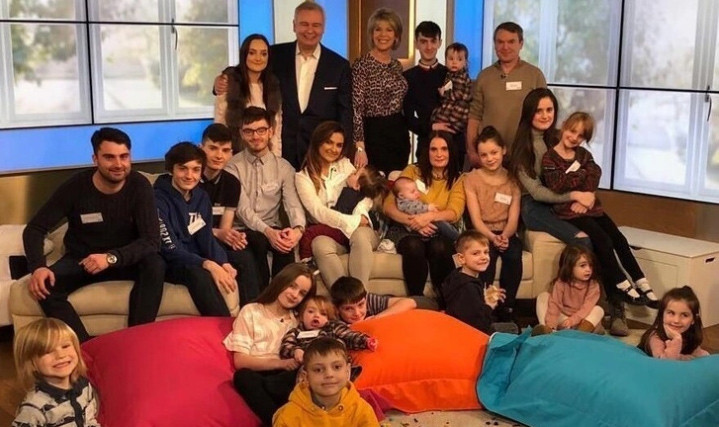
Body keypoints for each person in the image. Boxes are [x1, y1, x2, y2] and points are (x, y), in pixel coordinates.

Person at [22, 127, 164, 342]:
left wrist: (110, 258)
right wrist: (38, 267)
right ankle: (86, 348)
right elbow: (34, 229)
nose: (118, 164)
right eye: (109, 157)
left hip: (125, 259)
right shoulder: (75, 186)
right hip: (82, 260)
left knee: (155, 265)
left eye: (124, 156)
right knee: (45, 286)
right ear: (95, 159)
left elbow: (151, 241)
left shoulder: (139, 186)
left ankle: (135, 340)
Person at [214, 2, 352, 170]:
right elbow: (246, 67)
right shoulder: (275, 55)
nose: (310, 30)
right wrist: (222, 79)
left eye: (316, 25)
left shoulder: (339, 65)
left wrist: (343, 152)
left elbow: (345, 113)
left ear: (323, 28)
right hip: (280, 150)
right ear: (294, 25)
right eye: (304, 24)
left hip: (319, 152)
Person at [541, 112, 657, 308]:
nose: (574, 138)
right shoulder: (549, 158)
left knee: (619, 239)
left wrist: (586, 197)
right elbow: (558, 184)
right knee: (603, 240)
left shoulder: (584, 154)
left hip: (589, 207)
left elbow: (595, 174)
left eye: (580, 135)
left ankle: (641, 281)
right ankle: (621, 283)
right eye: (572, 131)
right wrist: (582, 175)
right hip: (569, 210)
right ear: (564, 126)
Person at [224, 263, 316, 426]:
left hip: (288, 378)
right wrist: (281, 364)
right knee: (243, 377)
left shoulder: (299, 321)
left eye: (302, 293)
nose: (295, 295)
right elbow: (240, 361)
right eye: (292, 286)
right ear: (281, 281)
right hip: (260, 373)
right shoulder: (251, 311)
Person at [226, 107, 306, 290]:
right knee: (259, 241)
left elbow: (293, 204)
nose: (255, 136)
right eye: (249, 131)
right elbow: (243, 210)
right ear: (241, 134)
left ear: (271, 131)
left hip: (273, 228)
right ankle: (262, 299)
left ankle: (283, 298)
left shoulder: (284, 167)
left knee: (285, 243)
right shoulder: (232, 167)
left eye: (261, 130)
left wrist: (297, 230)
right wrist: (268, 232)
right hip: (242, 230)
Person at [295, 121, 380, 288]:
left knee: (359, 235)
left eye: (339, 145)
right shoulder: (302, 178)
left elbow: (366, 193)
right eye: (329, 142)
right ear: (318, 142)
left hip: (362, 230)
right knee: (319, 243)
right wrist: (354, 221)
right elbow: (318, 212)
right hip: (333, 233)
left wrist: (361, 214)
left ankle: (359, 295)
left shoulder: (345, 165)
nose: (334, 149)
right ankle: (344, 297)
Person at [155, 142, 235, 317]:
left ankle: (251, 317)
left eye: (196, 170)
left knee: (240, 260)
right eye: (183, 169)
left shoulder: (201, 196)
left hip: (195, 257)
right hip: (170, 261)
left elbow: (206, 238)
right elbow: (169, 247)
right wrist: (208, 264)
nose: (189, 176)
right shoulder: (157, 199)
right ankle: (223, 325)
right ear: (171, 169)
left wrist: (223, 262)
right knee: (199, 274)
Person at [383, 131, 465, 296]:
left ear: (451, 151)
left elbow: (454, 212)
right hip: (407, 229)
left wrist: (427, 217)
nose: (439, 154)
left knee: (439, 247)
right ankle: (417, 299)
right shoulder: (412, 171)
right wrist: (413, 222)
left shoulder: (458, 179)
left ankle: (444, 299)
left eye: (444, 149)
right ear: (427, 151)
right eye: (434, 149)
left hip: (439, 230)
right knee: (413, 246)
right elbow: (388, 206)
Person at [466, 22, 546, 169]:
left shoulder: (535, 75)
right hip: (489, 158)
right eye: (500, 42)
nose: (505, 47)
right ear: (495, 44)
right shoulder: (484, 76)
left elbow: (545, 116)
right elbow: (474, 117)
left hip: (524, 157)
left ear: (521, 44)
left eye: (511, 42)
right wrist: (472, 151)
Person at [198, 123, 261, 305]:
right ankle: (253, 308)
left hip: (216, 239)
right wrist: (219, 233)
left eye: (225, 150)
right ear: (201, 148)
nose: (219, 155)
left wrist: (232, 237)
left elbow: (225, 226)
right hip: (193, 240)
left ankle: (259, 305)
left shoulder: (232, 183)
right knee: (242, 257)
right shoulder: (190, 178)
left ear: (231, 154)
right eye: (213, 148)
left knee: (252, 244)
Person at [464, 126, 522, 321]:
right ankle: (486, 308)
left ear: (503, 150)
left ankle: (507, 309)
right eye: (484, 155)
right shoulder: (471, 179)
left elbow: (513, 218)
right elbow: (475, 219)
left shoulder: (513, 179)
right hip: (482, 232)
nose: (490, 158)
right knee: (485, 260)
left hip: (506, 232)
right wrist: (491, 237)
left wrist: (504, 236)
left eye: (494, 152)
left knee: (514, 255)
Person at [272, 338, 379, 426]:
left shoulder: (362, 410)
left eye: (336, 367)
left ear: (347, 371)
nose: (329, 374)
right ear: (306, 377)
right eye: (318, 370)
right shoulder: (288, 415)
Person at [351, 7, 409, 174]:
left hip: (398, 134)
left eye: (389, 29)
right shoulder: (362, 65)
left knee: (397, 181)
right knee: (376, 183)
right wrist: (360, 147)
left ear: (396, 35)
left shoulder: (397, 65)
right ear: (371, 34)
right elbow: (356, 108)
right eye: (378, 29)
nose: (383, 34)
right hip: (373, 134)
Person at [12, 318, 99, 426]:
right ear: (32, 363)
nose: (60, 355)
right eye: (48, 351)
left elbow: (90, 419)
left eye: (65, 346)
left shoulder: (85, 386)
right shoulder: (34, 408)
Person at [298, 162, 387, 262]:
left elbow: (339, 214)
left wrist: (331, 211)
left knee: (310, 232)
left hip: (342, 230)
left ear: (357, 186)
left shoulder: (349, 193)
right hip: (347, 231)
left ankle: (305, 261)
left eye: (355, 173)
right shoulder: (362, 196)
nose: (351, 172)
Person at [214, 34, 282, 154]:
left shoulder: (273, 87)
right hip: (236, 156)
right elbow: (220, 126)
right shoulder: (230, 83)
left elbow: (276, 133)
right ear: (244, 54)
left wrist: (276, 160)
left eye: (263, 54)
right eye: (252, 53)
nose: (258, 58)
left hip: (266, 157)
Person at [440, 230, 508, 334]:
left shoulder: (457, 275)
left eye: (486, 252)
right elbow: (479, 326)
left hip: (458, 328)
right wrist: (489, 305)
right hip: (468, 334)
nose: (483, 257)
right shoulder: (468, 287)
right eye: (476, 253)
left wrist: (484, 297)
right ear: (461, 258)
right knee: (513, 328)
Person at [279, 295, 377, 364]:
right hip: (309, 366)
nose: (316, 315)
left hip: (336, 362)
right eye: (311, 311)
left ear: (328, 318)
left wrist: (365, 340)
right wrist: (296, 351)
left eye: (323, 314)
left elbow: (348, 335)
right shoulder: (296, 332)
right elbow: (286, 346)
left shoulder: (333, 327)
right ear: (301, 316)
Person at [532, 245, 604, 336]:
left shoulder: (593, 285)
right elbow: (555, 305)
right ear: (570, 267)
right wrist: (551, 324)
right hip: (564, 321)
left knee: (598, 310)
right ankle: (546, 330)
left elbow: (586, 308)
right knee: (543, 296)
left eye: (590, 266)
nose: (588, 270)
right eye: (583, 266)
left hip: (583, 322)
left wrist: (572, 320)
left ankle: (579, 335)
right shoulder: (561, 283)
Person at [403, 21, 448, 160]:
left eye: (433, 41)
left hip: (452, 141)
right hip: (425, 143)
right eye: (423, 42)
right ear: (416, 44)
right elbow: (408, 118)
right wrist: (431, 127)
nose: (429, 47)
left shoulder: (450, 74)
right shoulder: (407, 77)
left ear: (440, 43)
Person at [638, 286, 709, 360]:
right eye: (671, 313)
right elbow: (665, 362)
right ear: (662, 314)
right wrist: (676, 339)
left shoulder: (690, 335)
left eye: (684, 315)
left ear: (693, 319)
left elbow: (698, 356)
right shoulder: (655, 337)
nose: (676, 320)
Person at [431, 42, 472, 169]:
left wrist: (444, 93)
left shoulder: (460, 77)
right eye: (451, 59)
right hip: (451, 110)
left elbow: (458, 94)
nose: (454, 62)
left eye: (459, 59)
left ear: (465, 62)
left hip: (458, 113)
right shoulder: (450, 75)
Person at [392, 177, 459, 240]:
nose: (417, 193)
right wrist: (428, 208)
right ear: (401, 195)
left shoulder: (408, 199)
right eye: (413, 191)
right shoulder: (404, 204)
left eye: (417, 190)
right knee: (441, 225)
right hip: (414, 229)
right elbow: (415, 208)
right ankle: (457, 237)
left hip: (423, 224)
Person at [329, 276, 416, 324]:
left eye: (361, 305)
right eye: (348, 309)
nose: (357, 313)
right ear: (336, 309)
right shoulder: (332, 319)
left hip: (416, 299)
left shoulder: (368, 299)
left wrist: (376, 318)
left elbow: (410, 302)